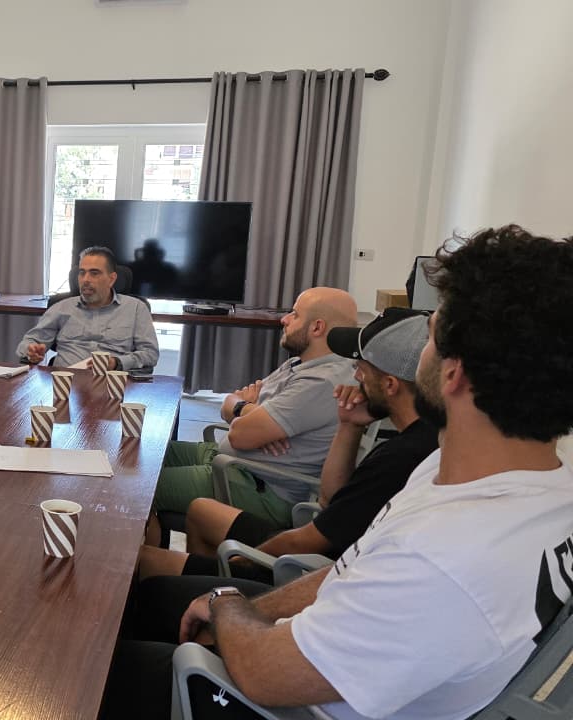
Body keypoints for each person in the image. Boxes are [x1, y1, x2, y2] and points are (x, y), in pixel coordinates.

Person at [102, 225, 573, 719]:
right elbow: (352, 567)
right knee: (148, 600)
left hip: (283, 696)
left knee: (93, 669)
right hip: (316, 650)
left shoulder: (442, 558)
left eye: (431, 334)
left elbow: (263, 673)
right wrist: (250, 606)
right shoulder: (515, 483)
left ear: (454, 374)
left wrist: (225, 605)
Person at [136, 307, 439, 584]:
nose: (354, 373)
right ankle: (195, 588)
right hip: (310, 546)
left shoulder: (400, 459)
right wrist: (349, 425)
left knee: (144, 545)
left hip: (306, 572)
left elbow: (307, 540)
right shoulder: (416, 437)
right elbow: (330, 500)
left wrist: (239, 564)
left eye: (362, 366)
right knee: (198, 507)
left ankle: (192, 590)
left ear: (390, 385)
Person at [149, 287, 358, 534]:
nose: (284, 319)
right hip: (231, 462)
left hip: (258, 485)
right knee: (144, 455)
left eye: (294, 314)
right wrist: (251, 413)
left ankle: (145, 557)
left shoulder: (321, 382)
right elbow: (231, 402)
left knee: (138, 489)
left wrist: (246, 414)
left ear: (317, 327)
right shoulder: (300, 363)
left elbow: (240, 434)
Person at [17, 246, 160, 370]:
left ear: (111, 279)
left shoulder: (135, 308)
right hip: (66, 382)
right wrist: (31, 351)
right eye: (82, 272)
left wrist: (116, 363)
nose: (85, 279)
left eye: (94, 273)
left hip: (113, 383)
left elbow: (150, 353)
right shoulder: (61, 307)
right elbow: (29, 342)